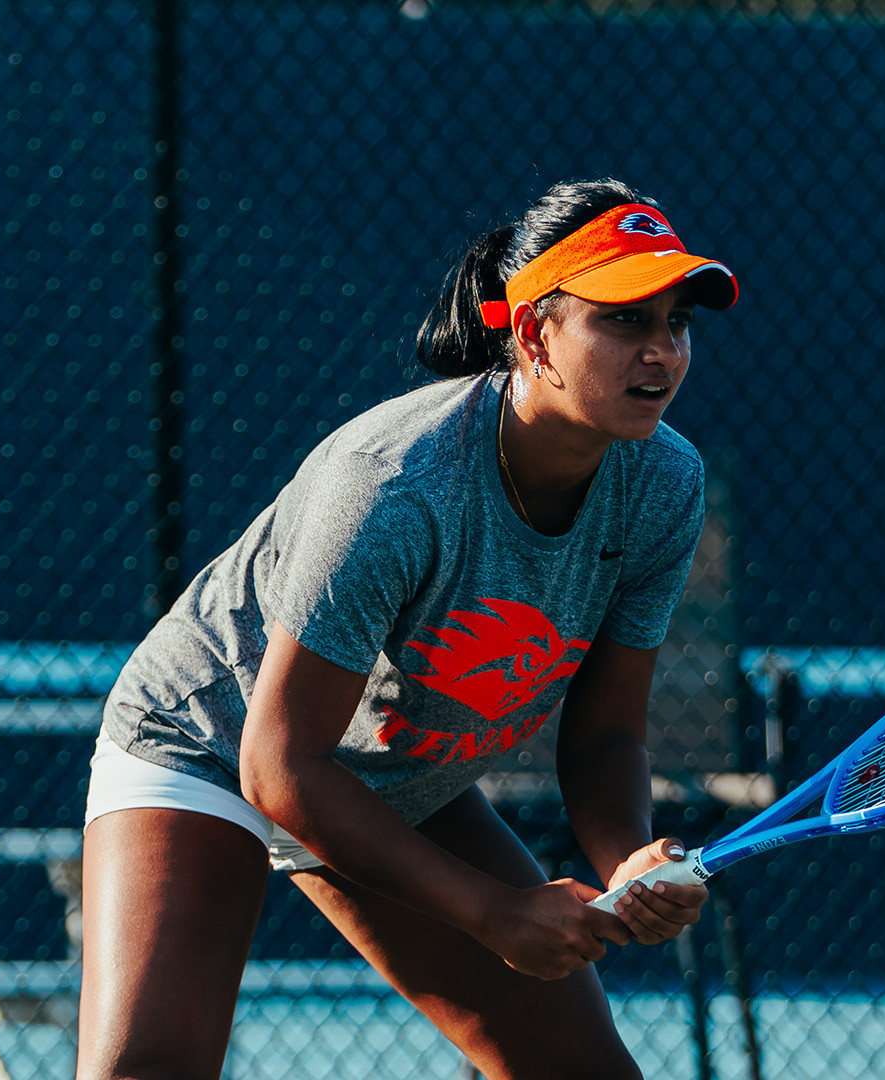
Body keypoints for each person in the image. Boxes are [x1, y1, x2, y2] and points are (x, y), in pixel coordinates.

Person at [76, 178, 740, 1079]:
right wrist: (491, 912)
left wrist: (627, 860)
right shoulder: (393, 485)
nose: (661, 350)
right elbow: (280, 764)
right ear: (534, 334)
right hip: (211, 743)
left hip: (397, 775)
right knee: (144, 1071)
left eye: (677, 322)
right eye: (624, 319)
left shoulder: (664, 484)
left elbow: (608, 734)